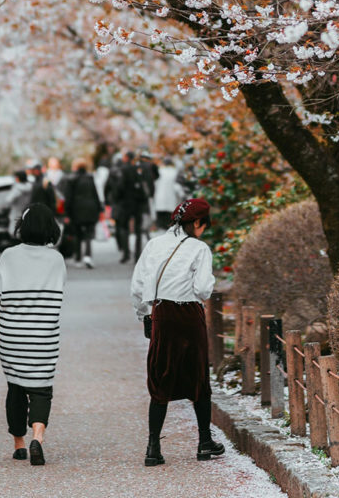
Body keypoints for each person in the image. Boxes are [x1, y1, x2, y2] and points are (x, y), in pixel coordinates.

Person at [130, 198, 224, 467]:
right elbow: (204, 289)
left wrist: (144, 315)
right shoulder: (199, 249)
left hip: (160, 313)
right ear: (197, 222)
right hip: (188, 314)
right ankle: (204, 442)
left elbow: (137, 286)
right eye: (203, 225)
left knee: (160, 375)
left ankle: (153, 447)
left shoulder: (154, 245)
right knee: (197, 376)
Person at [0, 203, 65, 466]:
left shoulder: (9, 256)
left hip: (12, 335)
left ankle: (19, 444)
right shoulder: (56, 259)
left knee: (16, 386)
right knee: (42, 388)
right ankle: (38, 437)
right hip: (44, 335)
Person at [63, 159, 102, 268]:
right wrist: (99, 208)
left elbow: (68, 197)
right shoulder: (90, 178)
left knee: (77, 234)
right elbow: (95, 194)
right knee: (89, 234)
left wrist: (66, 212)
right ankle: (88, 256)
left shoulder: (71, 179)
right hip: (91, 208)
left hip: (77, 209)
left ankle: (78, 258)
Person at [115, 150, 151, 263]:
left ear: (126, 158)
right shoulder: (140, 169)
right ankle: (137, 254)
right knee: (138, 229)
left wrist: (117, 198)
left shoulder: (124, 169)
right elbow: (148, 182)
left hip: (126, 202)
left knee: (124, 227)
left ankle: (126, 254)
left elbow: (120, 186)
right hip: (139, 202)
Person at [152, 157, 184, 231]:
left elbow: (155, 183)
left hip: (159, 197)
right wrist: (181, 194)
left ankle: (160, 229)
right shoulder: (174, 172)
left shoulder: (159, 171)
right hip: (170, 198)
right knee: (169, 218)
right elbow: (176, 186)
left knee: (161, 217)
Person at [6, 170, 33, 241]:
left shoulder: (17, 189)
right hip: (29, 214)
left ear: (17, 178)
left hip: (16, 214)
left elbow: (8, 200)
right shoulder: (31, 187)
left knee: (16, 235)